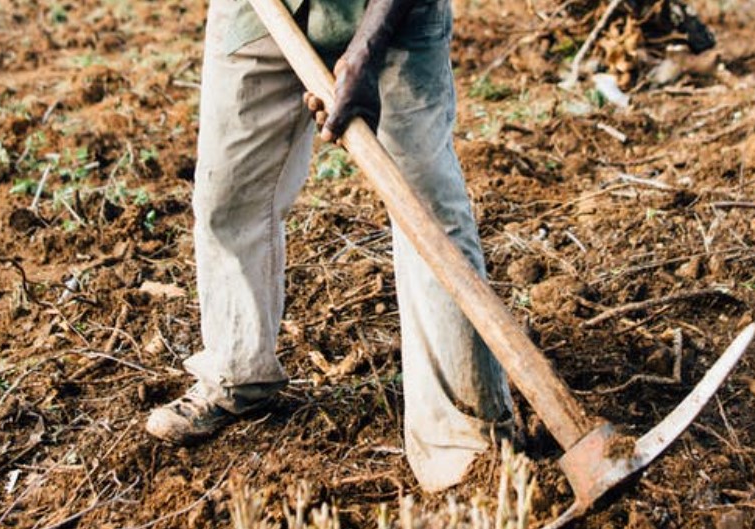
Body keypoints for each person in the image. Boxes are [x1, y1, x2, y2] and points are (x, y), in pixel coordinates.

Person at [145, 0, 514, 491]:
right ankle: (238, 369)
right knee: (228, 194)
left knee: (426, 209)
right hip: (260, 12)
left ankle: (467, 435)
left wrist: (365, 52)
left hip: (393, 16)